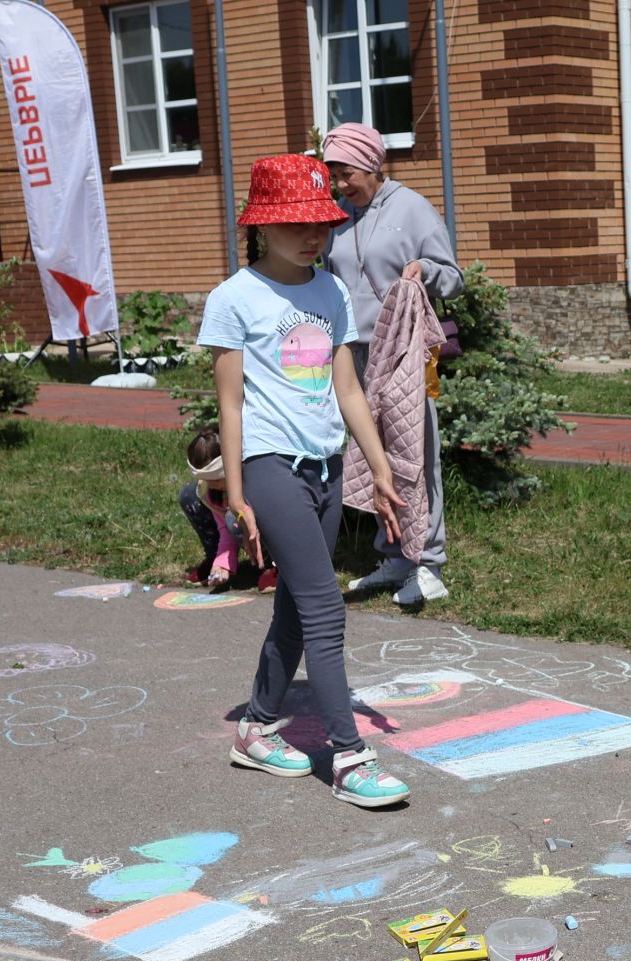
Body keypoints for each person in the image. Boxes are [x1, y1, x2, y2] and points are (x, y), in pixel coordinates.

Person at [197, 153, 411, 809]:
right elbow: (230, 404)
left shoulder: (331, 291)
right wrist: (235, 494)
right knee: (323, 606)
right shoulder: (235, 298)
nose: (311, 235)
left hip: (324, 465)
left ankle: (255, 728)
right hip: (269, 465)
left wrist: (377, 468)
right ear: (261, 225)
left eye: (320, 221)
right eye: (293, 222)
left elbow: (346, 385)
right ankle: (349, 757)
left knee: (294, 607)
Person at [322, 122, 464, 608]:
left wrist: (425, 272)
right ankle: (396, 554)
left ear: (371, 165)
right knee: (371, 454)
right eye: (334, 175)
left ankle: (430, 562)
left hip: (403, 351)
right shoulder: (337, 215)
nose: (340, 185)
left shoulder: (412, 208)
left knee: (416, 451)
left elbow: (454, 276)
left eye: (346, 174)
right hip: (353, 352)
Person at [178, 427, 276, 593]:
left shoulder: (255, 481)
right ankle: (215, 561)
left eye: (216, 479)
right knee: (190, 496)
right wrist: (223, 562)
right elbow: (225, 529)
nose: (212, 485)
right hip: (242, 526)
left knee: (236, 517)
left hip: (276, 527)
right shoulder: (214, 492)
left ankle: (273, 565)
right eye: (207, 480)